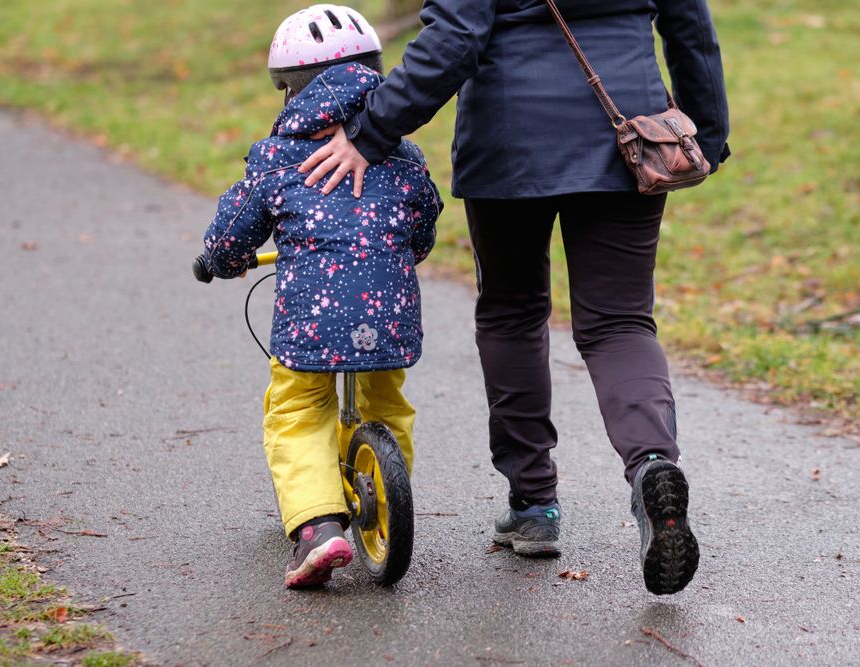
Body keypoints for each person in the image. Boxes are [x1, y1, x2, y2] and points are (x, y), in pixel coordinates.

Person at [298, 0, 730, 595]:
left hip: (509, 141)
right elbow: (690, 27)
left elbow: (454, 38)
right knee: (620, 324)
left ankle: (533, 504)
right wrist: (705, 130)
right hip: (629, 131)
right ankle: (653, 463)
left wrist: (370, 133)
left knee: (512, 312)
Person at [199, 4, 443, 589]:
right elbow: (424, 225)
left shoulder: (277, 158)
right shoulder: (402, 155)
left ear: (290, 92)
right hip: (389, 317)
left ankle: (317, 529)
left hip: (311, 319)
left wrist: (219, 261)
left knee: (297, 409)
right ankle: (382, 506)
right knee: (387, 408)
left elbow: (234, 232)